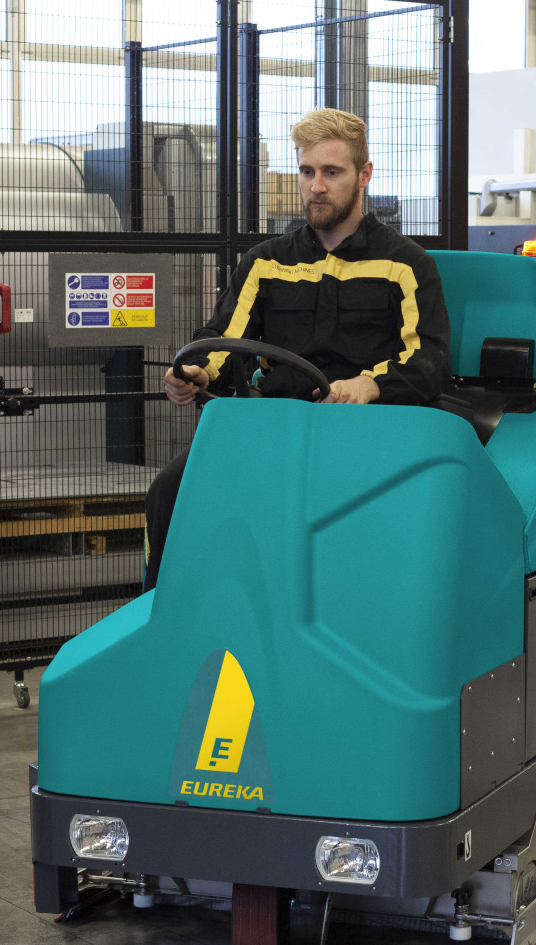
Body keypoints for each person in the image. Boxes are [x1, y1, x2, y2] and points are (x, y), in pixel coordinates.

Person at [144, 107, 451, 590]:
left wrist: (369, 385)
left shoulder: (406, 265)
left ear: (364, 174)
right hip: (278, 428)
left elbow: (428, 359)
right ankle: (166, 612)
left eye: (332, 172)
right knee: (170, 490)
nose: (316, 186)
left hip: (367, 435)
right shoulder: (265, 263)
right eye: (307, 172)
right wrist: (197, 373)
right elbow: (223, 334)